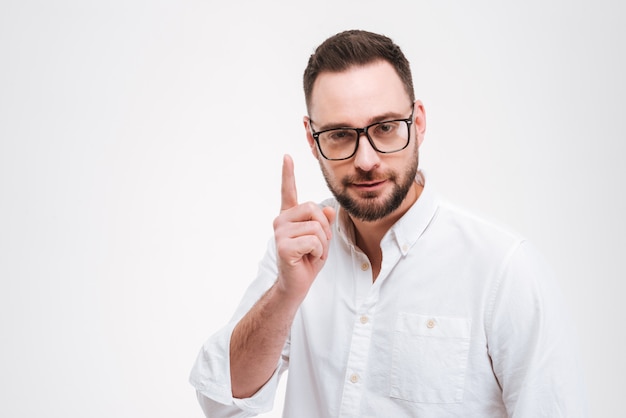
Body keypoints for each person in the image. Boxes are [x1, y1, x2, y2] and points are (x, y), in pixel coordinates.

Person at [189, 29, 588, 417]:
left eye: (385, 128)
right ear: (313, 140)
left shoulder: (503, 271)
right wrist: (284, 293)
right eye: (341, 134)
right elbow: (222, 401)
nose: (366, 160)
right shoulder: (301, 251)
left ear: (419, 122)